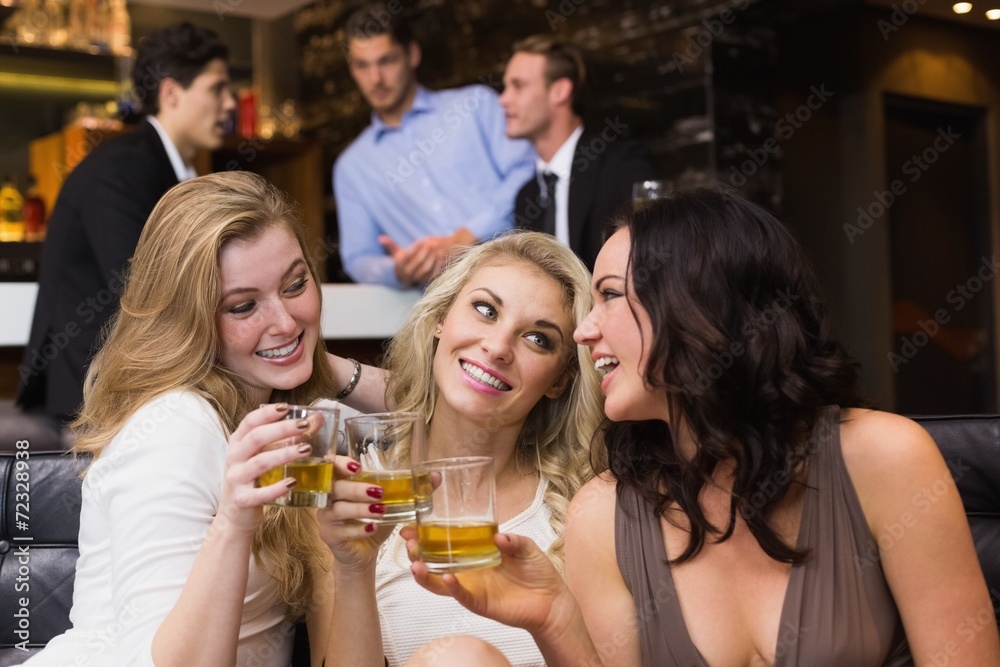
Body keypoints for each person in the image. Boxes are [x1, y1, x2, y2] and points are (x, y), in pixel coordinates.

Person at [403, 187, 1000, 666]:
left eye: (610, 297)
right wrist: (554, 615)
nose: (586, 334)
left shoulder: (884, 458)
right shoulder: (604, 513)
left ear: (696, 307)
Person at [18, 172, 367, 666]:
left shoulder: (301, 421)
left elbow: (444, 406)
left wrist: (320, 365)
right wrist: (233, 521)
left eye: (295, 284)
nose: (285, 321)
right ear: (191, 319)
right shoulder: (177, 427)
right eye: (244, 306)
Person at [316, 231, 604, 666]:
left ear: (560, 381)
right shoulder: (354, 495)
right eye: (485, 310)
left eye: (538, 339)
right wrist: (354, 570)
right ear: (440, 319)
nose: (497, 347)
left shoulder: (585, 510)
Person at [18, 22, 236, 423]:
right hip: (91, 403)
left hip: (138, 392)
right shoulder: (122, 169)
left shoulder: (163, 168)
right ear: (171, 93)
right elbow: (146, 291)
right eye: (217, 88)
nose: (230, 104)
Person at [333, 4, 536, 288]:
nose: (375, 78)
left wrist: (466, 238)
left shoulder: (474, 105)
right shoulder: (351, 167)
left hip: (524, 275)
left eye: (386, 60)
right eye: (362, 65)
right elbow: (358, 258)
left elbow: (528, 171)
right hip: (441, 307)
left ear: (412, 55)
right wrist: (397, 270)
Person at [500, 35, 655, 271]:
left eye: (518, 86)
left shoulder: (621, 165)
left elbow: (652, 260)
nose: (503, 99)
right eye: (505, 87)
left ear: (560, 91)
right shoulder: (527, 196)